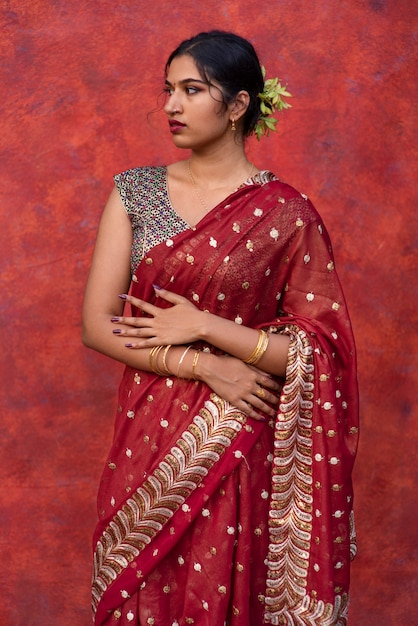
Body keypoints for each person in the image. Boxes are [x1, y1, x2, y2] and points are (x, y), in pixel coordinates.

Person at [82, 30, 359, 626]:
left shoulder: (287, 213)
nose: (171, 107)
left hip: (241, 444)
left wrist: (206, 325)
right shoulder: (134, 191)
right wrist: (202, 362)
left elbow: (320, 354)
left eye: (192, 90)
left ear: (237, 106)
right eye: (168, 91)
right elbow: (96, 326)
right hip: (149, 440)